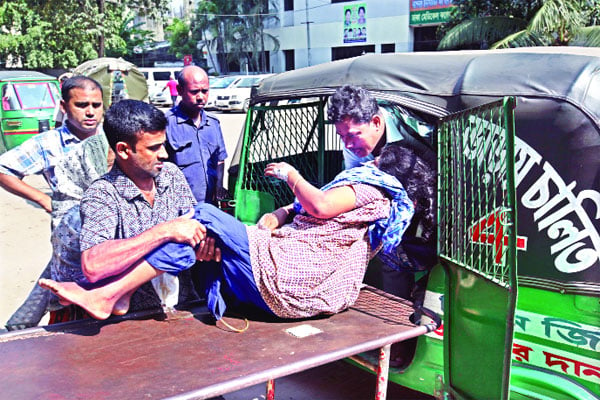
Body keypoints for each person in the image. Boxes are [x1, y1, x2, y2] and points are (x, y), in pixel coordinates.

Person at [38, 142, 434, 323]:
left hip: (290, 276)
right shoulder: (384, 203)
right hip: (295, 285)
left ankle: (109, 294)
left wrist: (292, 175)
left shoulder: (375, 189)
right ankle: (114, 297)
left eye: (376, 157)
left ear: (387, 166)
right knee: (192, 241)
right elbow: (302, 210)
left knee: (203, 214)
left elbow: (319, 206)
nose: (366, 157)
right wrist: (274, 217)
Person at [41, 100, 218, 321]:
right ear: (124, 150)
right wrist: (163, 232)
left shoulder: (171, 175)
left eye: (163, 144)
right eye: (153, 148)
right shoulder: (103, 194)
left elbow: (193, 228)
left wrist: (205, 243)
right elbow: (94, 265)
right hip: (132, 319)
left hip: (183, 309)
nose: (163, 154)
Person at [2, 75, 104, 330]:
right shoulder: (49, 143)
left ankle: (20, 325)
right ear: (63, 106)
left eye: (96, 105)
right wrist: (44, 199)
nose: (90, 112)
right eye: (81, 105)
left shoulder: (111, 137)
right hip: (70, 229)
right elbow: (4, 169)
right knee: (66, 293)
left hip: (109, 227)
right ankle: (22, 330)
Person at [165, 65, 228, 205]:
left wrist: (218, 186)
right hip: (179, 207)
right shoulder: (166, 124)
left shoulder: (213, 124)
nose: (200, 97)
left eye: (204, 91)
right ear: (180, 90)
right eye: (194, 92)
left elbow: (220, 159)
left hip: (209, 206)